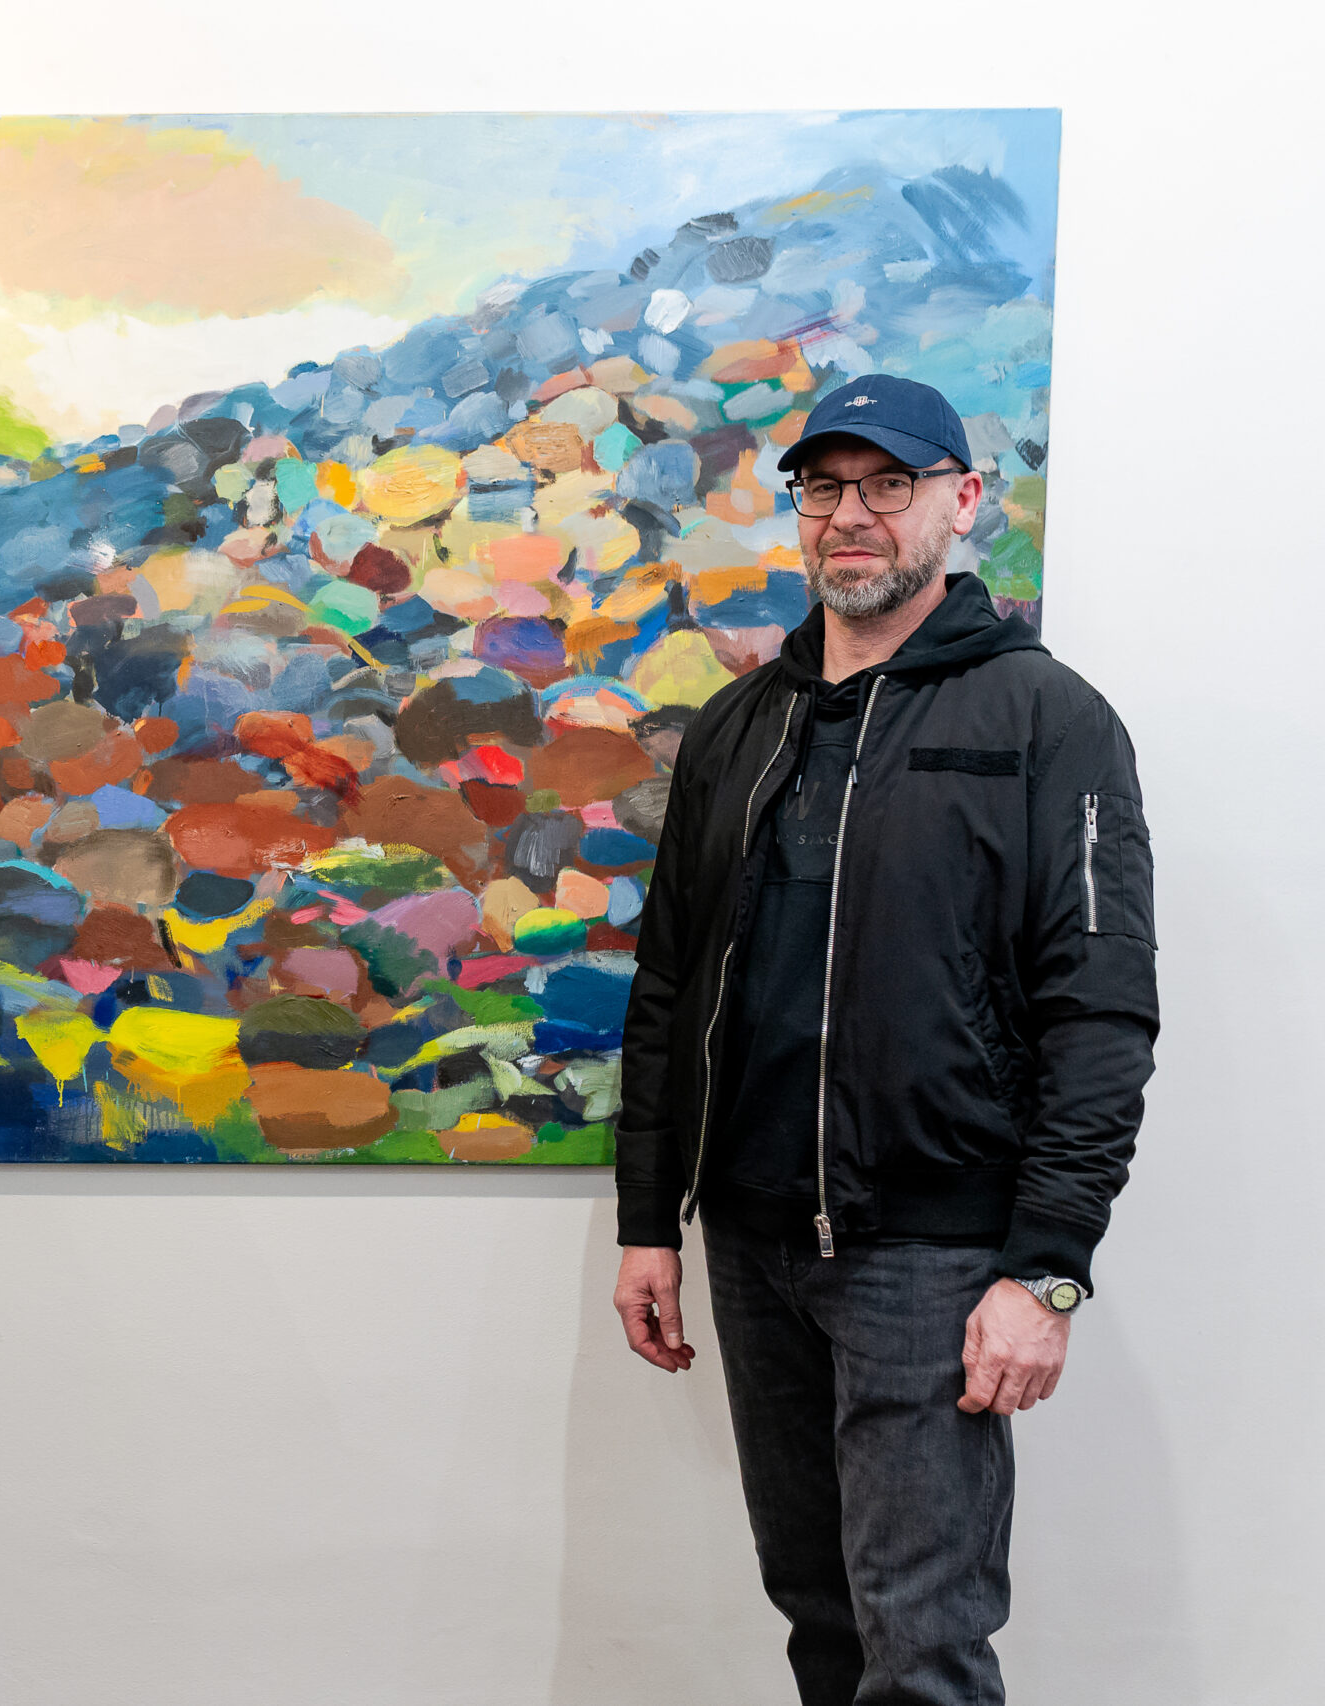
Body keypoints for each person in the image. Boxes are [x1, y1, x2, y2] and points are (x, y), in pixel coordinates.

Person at [611, 377, 1158, 1705]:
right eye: (824, 486)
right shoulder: (741, 723)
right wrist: (647, 1218)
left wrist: (1049, 1271)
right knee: (818, 1612)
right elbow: (669, 981)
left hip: (930, 1252)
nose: (850, 514)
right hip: (750, 1242)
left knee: (922, 1639)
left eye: (887, 484)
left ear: (960, 502)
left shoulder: (1047, 719)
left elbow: (1101, 1011)